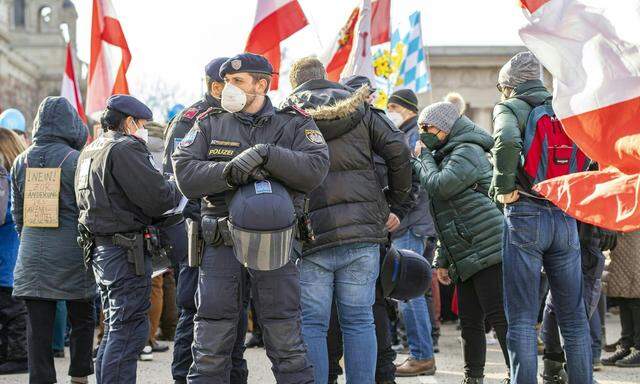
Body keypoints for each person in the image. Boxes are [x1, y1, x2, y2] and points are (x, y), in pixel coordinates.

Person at [172, 53, 329, 384]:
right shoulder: (209, 122)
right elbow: (185, 173)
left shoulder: (293, 123)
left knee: (285, 335)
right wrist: (232, 171)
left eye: (238, 82)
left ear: (262, 84)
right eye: (227, 81)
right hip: (220, 245)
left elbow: (316, 168)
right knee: (211, 339)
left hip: (276, 246)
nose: (229, 88)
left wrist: (269, 155)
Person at [283, 57, 411, 384]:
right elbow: (399, 150)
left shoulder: (285, 117)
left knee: (313, 323)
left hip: (311, 232)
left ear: (294, 82)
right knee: (359, 320)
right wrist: (395, 202)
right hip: (363, 231)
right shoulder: (360, 109)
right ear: (325, 78)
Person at [491, 51, 592, 384]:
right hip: (564, 215)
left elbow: (506, 140)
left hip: (525, 214)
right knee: (574, 318)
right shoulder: (564, 105)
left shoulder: (509, 107)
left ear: (508, 86)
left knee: (521, 318)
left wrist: (504, 187)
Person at [75, 94, 183, 384]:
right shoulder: (125, 148)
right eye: (143, 124)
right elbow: (157, 197)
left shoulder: (91, 149)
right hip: (125, 252)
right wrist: (176, 184)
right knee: (129, 331)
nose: (144, 130)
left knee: (114, 328)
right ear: (129, 122)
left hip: (103, 250)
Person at [163, 57, 251, 384]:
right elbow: (177, 181)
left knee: (237, 307)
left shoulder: (241, 118)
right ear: (216, 86)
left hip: (239, 228)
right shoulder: (190, 121)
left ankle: (233, 373)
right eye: (234, 82)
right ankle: (183, 375)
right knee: (195, 307)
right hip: (199, 229)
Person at [413, 101, 509, 384]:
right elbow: (449, 215)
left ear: (444, 128)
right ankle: (473, 377)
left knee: (499, 317)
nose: (423, 134)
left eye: (426, 128)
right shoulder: (448, 151)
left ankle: (517, 372)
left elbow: (440, 186)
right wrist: (442, 260)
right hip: (465, 249)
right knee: (469, 321)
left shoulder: (466, 150)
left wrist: (424, 158)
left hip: (487, 244)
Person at [11, 97, 95, 384]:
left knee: (38, 327)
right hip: (72, 253)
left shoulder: (20, 161)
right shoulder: (77, 161)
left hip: (32, 255)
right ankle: (80, 375)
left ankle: (41, 379)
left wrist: (29, 241)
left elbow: (17, 213)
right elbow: (89, 209)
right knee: (83, 316)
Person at [386, 89, 438, 377]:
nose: (389, 111)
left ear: (406, 109)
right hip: (418, 224)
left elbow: (414, 185)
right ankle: (420, 352)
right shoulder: (412, 135)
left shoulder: (412, 137)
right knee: (413, 290)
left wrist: (398, 213)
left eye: (392, 106)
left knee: (409, 292)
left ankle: (421, 356)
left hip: (412, 225)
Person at [0, 127, 28, 375]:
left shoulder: (6, 181)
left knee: (12, 310)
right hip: (11, 259)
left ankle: (19, 357)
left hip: (7, 260)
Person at [601, 231, 640, 367]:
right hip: (621, 236)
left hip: (634, 233)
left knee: (636, 295)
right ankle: (626, 345)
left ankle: (638, 348)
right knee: (622, 294)